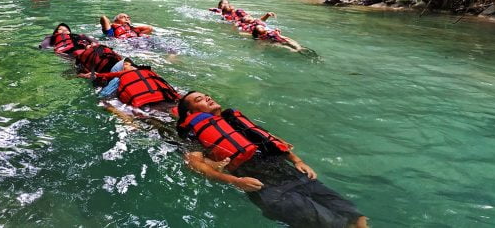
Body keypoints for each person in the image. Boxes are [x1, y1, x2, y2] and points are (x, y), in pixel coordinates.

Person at [176, 91, 368, 228]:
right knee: (330, 225)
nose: (207, 97)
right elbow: (195, 164)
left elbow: (270, 140)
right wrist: (235, 181)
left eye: (206, 95)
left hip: (291, 173)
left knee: (354, 215)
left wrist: (297, 161)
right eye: (199, 99)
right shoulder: (195, 134)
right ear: (191, 113)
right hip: (267, 188)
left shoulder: (234, 118)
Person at [80, 58, 179, 113]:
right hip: (146, 105)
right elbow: (103, 96)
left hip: (165, 100)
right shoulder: (117, 78)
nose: (131, 65)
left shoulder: (147, 72)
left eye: (131, 64)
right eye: (126, 64)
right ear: (120, 70)